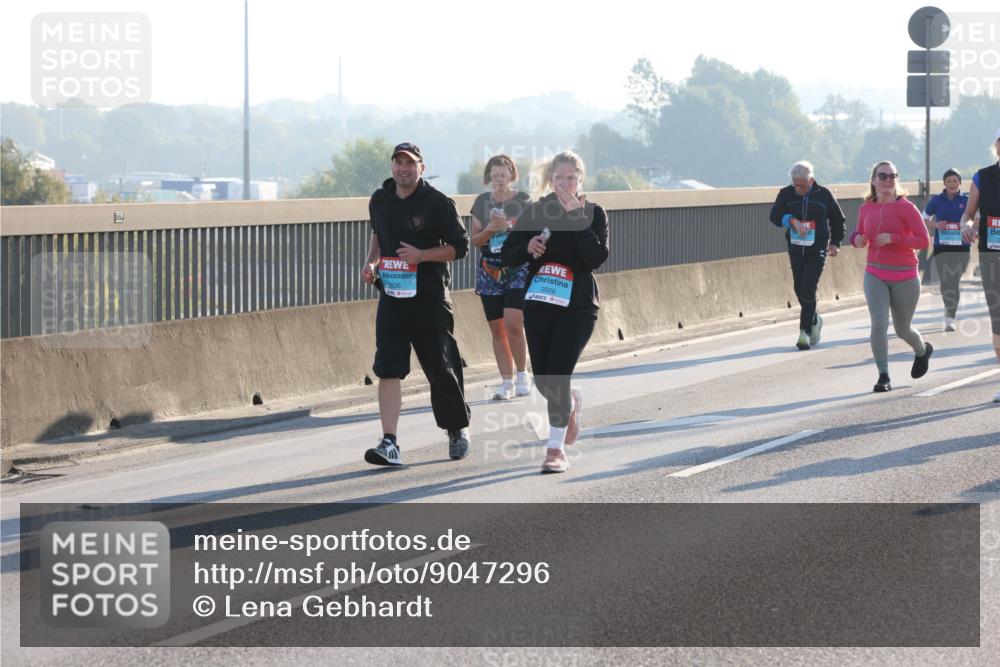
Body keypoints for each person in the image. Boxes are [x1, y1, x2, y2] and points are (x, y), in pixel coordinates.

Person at [361, 142, 472, 465]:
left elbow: (460, 247)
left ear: (421, 167)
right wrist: (371, 263)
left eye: (409, 164)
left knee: (440, 367)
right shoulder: (380, 200)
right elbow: (377, 235)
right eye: (397, 163)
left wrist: (422, 256)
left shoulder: (437, 203)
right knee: (387, 369)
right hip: (392, 297)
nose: (402, 169)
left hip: (429, 299)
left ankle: (456, 428)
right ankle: (389, 441)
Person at [501, 151, 609, 473]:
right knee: (545, 382)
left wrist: (577, 218)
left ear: (581, 179)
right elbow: (508, 254)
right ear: (551, 179)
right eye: (559, 178)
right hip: (541, 303)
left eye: (571, 178)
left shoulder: (593, 212)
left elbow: (596, 257)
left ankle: (554, 449)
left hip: (578, 306)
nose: (565, 184)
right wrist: (528, 247)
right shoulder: (537, 210)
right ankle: (571, 404)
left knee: (558, 375)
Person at [850, 161, 933, 393]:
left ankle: (922, 350)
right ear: (874, 180)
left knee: (902, 329)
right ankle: (883, 375)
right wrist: (856, 239)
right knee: (879, 323)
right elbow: (859, 233)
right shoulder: (866, 207)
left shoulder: (906, 207)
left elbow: (923, 240)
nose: (888, 181)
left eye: (892, 176)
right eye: (883, 176)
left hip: (905, 275)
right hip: (875, 273)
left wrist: (895, 238)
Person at [469, 155, 533, 400]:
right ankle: (506, 382)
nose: (499, 180)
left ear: (511, 176)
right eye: (494, 176)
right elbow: (474, 240)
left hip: (517, 267)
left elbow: (533, 234)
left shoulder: (524, 200)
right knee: (497, 328)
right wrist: (490, 229)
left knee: (513, 322)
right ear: (488, 178)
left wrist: (509, 227)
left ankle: (522, 373)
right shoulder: (482, 202)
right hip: (490, 270)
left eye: (503, 175)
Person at [769, 161, 846, 350]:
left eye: (801, 185)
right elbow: (774, 216)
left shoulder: (824, 195)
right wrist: (791, 220)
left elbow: (838, 220)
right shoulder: (786, 194)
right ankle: (814, 320)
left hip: (817, 249)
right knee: (799, 289)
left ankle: (804, 332)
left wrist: (835, 243)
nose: (797, 188)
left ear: (811, 180)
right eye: (795, 184)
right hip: (796, 249)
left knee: (808, 288)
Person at [960, 128, 1000, 403]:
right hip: (992, 256)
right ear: (997, 146)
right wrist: (967, 225)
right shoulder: (982, 177)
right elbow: (968, 214)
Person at [923, 168, 972, 331]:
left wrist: (969, 226)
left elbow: (975, 217)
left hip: (962, 247)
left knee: (954, 281)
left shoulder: (967, 200)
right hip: (942, 247)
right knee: (945, 283)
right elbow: (924, 218)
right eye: (948, 181)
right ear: (944, 183)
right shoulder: (936, 200)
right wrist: (936, 225)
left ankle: (950, 317)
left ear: (960, 183)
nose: (952, 184)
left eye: (955, 181)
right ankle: (948, 308)